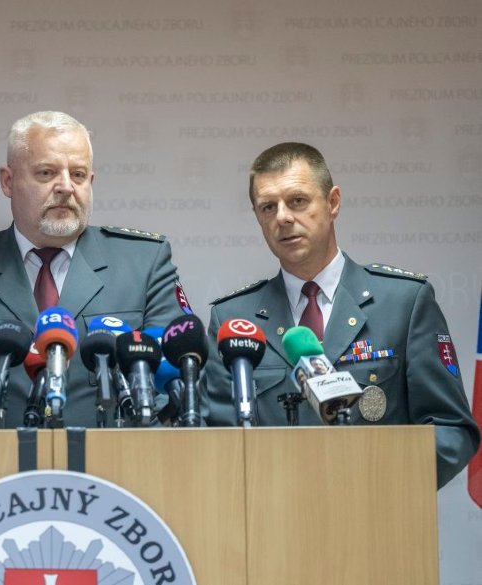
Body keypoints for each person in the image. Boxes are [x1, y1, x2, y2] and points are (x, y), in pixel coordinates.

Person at [201, 142, 479, 488]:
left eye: (297, 201)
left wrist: (375, 480)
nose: (283, 217)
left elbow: (452, 430)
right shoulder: (234, 319)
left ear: (333, 202)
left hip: (378, 519)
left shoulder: (403, 302)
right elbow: (214, 443)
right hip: (270, 525)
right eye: (268, 207)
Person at [0, 111, 190, 429]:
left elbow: (175, 392)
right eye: (47, 173)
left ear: (90, 183)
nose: (65, 187)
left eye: (77, 175)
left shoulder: (143, 263)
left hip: (113, 472)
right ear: (8, 181)